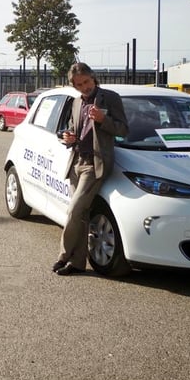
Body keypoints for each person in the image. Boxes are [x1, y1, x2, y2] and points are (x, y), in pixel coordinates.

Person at [53, 62, 128, 276]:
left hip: (95, 164)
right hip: (77, 160)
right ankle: (77, 264)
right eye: (78, 84)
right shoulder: (76, 103)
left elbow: (124, 129)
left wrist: (104, 120)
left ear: (93, 78)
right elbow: (71, 130)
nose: (84, 87)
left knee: (73, 210)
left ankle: (63, 256)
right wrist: (68, 137)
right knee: (82, 215)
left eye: (86, 82)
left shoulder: (110, 98)